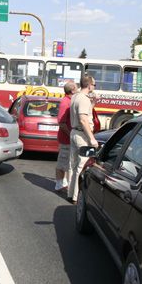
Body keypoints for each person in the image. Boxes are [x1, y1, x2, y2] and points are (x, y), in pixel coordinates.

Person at [67, 74, 99, 203]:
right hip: (82, 135)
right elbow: (84, 119)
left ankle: (71, 193)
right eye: (94, 85)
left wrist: (93, 103)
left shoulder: (75, 96)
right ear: (89, 85)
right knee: (82, 166)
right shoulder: (84, 99)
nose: (94, 87)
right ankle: (76, 197)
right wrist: (92, 139)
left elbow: (85, 112)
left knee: (74, 165)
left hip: (74, 132)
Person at [55, 80, 78, 192]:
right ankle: (59, 185)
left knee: (68, 163)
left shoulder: (70, 100)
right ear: (72, 90)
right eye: (76, 87)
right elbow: (61, 122)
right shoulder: (65, 102)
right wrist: (71, 134)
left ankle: (64, 183)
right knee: (63, 162)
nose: (78, 89)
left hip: (68, 138)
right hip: (66, 139)